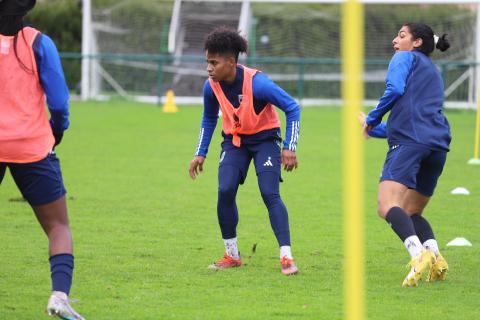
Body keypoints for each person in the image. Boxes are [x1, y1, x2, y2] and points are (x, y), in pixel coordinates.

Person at [189, 26, 301, 276]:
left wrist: (289, 147)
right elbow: (208, 119)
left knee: (269, 193)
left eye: (213, 62)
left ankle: (286, 256)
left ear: (231, 62)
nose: (208, 68)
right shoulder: (211, 87)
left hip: (265, 140)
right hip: (235, 141)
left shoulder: (258, 83)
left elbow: (292, 108)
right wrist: (200, 152)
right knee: (225, 189)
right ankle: (232, 254)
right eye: (207, 62)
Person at [0, 1, 84, 318]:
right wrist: (57, 130)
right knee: (58, 226)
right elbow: (60, 102)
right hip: (31, 146)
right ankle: (59, 298)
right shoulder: (39, 43)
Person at [360, 22, 451, 287]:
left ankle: (418, 254)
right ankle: (435, 257)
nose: (395, 40)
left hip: (411, 143)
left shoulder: (403, 58)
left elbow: (395, 90)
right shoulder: (432, 71)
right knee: (411, 210)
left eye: (401, 35)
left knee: (386, 205)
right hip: (437, 146)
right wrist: (373, 126)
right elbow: (412, 120)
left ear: (417, 42)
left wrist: (372, 119)